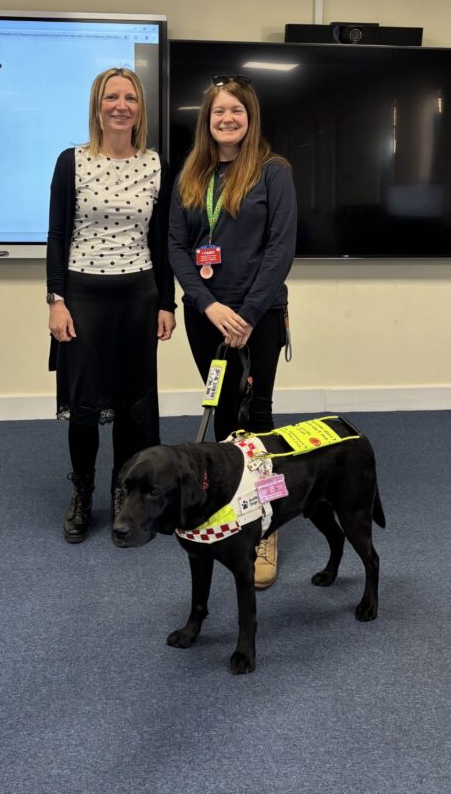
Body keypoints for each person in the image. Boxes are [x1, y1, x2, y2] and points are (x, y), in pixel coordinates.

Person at [168, 74, 297, 589]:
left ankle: (266, 524)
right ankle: (231, 505)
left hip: (258, 317)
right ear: (207, 119)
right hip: (206, 317)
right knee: (223, 413)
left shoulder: (272, 172)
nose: (227, 119)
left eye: (236, 111)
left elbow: (280, 248)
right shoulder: (192, 174)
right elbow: (177, 247)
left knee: (257, 417)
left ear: (250, 118)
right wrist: (210, 305)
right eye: (219, 111)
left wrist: (246, 313)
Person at [47, 67, 176, 544]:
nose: (121, 106)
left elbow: (162, 241)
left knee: (132, 407)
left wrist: (168, 302)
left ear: (140, 109)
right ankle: (82, 493)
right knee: (84, 406)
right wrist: (56, 300)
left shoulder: (156, 164)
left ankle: (126, 495)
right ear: (97, 106)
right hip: (83, 296)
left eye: (130, 98)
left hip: (138, 296)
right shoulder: (71, 161)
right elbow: (56, 235)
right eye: (111, 97)